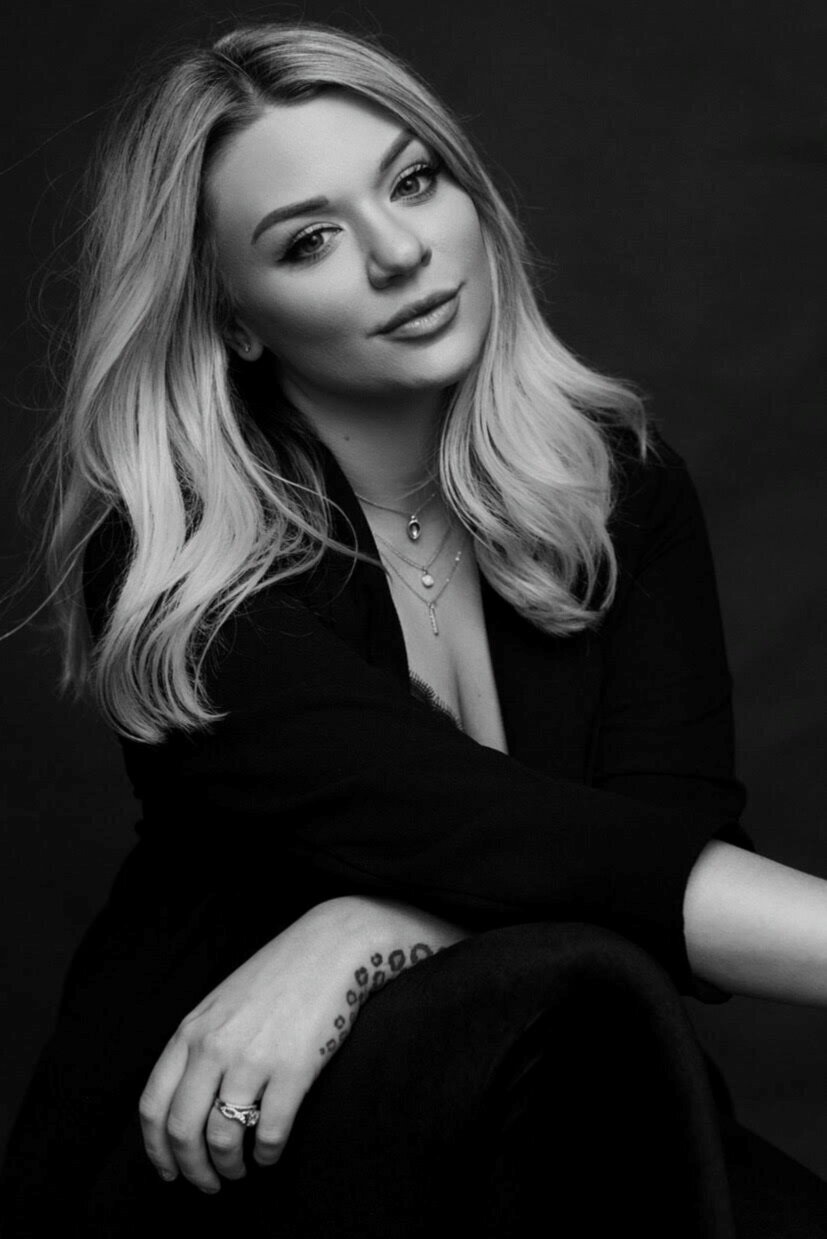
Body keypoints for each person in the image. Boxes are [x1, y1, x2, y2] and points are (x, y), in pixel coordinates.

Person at [1, 19, 826, 1238]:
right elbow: (487, 832)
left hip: (560, 1108)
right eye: (310, 240)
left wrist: (369, 927)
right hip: (242, 1150)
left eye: (412, 180)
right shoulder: (179, 554)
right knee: (575, 981)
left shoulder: (615, 485)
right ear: (233, 317)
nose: (399, 252)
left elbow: (664, 830)